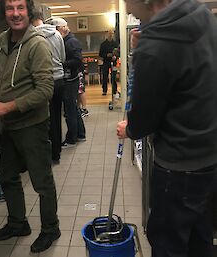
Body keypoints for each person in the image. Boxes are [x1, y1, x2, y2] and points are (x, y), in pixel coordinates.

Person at [116, 0, 217, 256]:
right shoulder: (202, 17)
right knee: (200, 238)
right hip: (209, 157)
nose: (126, 7)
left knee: (167, 245)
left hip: (177, 167)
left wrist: (128, 129)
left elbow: (142, 122)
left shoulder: (153, 48)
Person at [0, 0, 60, 253]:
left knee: (41, 182)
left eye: (20, 8)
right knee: (6, 176)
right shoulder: (1, 41)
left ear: (29, 11)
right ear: (4, 12)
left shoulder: (38, 45)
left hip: (32, 125)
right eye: (10, 8)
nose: (15, 13)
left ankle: (50, 228)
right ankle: (17, 223)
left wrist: (6, 106)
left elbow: (45, 90)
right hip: (10, 126)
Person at [32, 10, 66, 165]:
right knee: (57, 117)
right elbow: (63, 57)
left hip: (44, 82)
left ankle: (48, 154)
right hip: (59, 80)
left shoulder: (33, 37)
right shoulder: (57, 34)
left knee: (45, 119)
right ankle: (57, 153)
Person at [46, 17, 86, 147]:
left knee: (69, 111)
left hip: (70, 80)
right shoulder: (67, 41)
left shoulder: (71, 42)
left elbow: (78, 60)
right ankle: (80, 134)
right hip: (71, 79)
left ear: (61, 28)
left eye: (56, 30)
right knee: (73, 108)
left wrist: (62, 64)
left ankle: (71, 138)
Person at [99, 30, 119, 96]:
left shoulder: (116, 43)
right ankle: (104, 90)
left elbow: (119, 53)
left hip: (114, 62)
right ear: (107, 34)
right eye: (109, 33)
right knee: (105, 76)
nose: (111, 35)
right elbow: (100, 54)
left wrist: (115, 57)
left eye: (112, 34)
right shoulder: (103, 44)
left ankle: (114, 91)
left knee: (114, 77)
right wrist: (107, 55)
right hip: (105, 62)